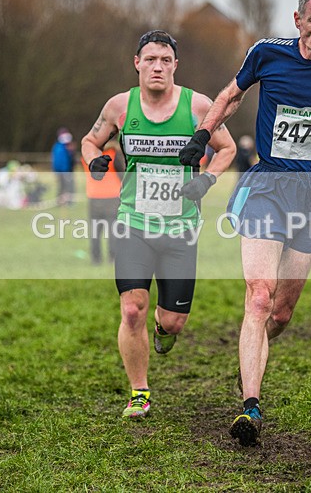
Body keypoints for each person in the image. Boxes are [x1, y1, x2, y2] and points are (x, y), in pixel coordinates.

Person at [179, 0, 311, 446]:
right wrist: (203, 136)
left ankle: (254, 352)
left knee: (281, 314)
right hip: (267, 185)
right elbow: (230, 96)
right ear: (298, 19)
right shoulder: (267, 53)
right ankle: (250, 404)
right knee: (260, 297)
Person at [80, 30, 236, 420]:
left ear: (175, 66)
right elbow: (89, 140)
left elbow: (228, 149)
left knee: (174, 320)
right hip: (133, 224)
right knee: (132, 310)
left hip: (181, 228)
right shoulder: (120, 106)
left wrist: (206, 179)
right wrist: (93, 160)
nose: (158, 66)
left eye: (165, 60)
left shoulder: (197, 106)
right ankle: (139, 392)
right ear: (137, 63)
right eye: (150, 59)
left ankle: (164, 329)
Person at [80, 138, 125, 265]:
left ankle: (96, 259)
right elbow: (123, 174)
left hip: (93, 196)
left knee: (95, 231)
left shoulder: (87, 157)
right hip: (112, 196)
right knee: (113, 231)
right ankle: (112, 258)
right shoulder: (113, 154)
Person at [52, 127, 75, 205]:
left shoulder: (57, 146)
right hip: (65, 171)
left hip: (62, 171)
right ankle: (64, 202)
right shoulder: (61, 147)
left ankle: (63, 202)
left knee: (63, 187)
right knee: (66, 187)